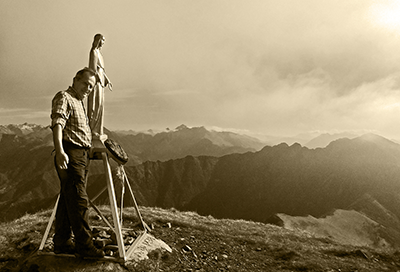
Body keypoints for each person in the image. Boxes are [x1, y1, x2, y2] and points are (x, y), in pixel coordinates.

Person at [50, 67, 105, 258]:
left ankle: (62, 242)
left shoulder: (79, 102)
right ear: (75, 79)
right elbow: (58, 123)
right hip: (70, 152)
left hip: (81, 155)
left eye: (91, 86)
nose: (88, 88)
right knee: (80, 200)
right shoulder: (64, 97)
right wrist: (59, 151)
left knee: (68, 199)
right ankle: (85, 246)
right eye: (85, 84)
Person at [87, 33, 112, 137]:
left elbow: (101, 70)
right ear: (98, 40)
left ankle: (98, 129)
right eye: (103, 40)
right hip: (96, 82)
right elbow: (93, 69)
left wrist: (107, 79)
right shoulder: (93, 52)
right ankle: (92, 129)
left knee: (100, 105)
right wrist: (97, 78)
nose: (103, 43)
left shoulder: (100, 55)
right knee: (95, 105)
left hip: (101, 82)